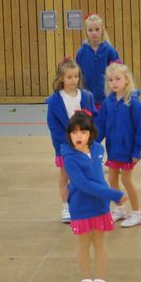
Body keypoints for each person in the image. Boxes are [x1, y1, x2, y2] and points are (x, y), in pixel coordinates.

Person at [62, 110, 126, 282]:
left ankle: (100, 280)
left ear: (90, 134)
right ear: (69, 134)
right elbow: (83, 184)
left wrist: (107, 197)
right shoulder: (69, 157)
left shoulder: (98, 149)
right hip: (80, 207)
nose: (78, 136)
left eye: (83, 132)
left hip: (99, 205)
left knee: (99, 243)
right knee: (83, 244)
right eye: (74, 132)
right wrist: (113, 194)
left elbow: (98, 177)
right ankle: (85, 280)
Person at [46, 57, 97, 223]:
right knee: (65, 176)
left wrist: (89, 140)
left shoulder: (86, 96)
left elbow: (93, 119)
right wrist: (68, 142)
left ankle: (85, 205)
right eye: (69, 77)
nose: (73, 80)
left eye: (76, 76)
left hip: (85, 146)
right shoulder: (55, 100)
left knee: (86, 175)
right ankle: (66, 207)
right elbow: (54, 126)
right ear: (61, 78)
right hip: (65, 146)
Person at [96, 61, 141, 227]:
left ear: (126, 80)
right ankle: (120, 209)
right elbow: (101, 125)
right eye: (110, 80)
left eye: (118, 79)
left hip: (128, 151)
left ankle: (137, 213)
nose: (114, 83)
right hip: (113, 150)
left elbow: (140, 128)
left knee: (126, 180)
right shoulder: (108, 102)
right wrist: (92, 143)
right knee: (112, 179)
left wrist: (136, 151)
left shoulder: (133, 103)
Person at [75, 13, 121, 109]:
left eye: (97, 29)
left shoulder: (109, 50)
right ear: (86, 32)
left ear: (102, 30)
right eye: (90, 30)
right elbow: (78, 74)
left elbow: (119, 72)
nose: (94, 33)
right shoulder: (81, 52)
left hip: (107, 97)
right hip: (87, 98)